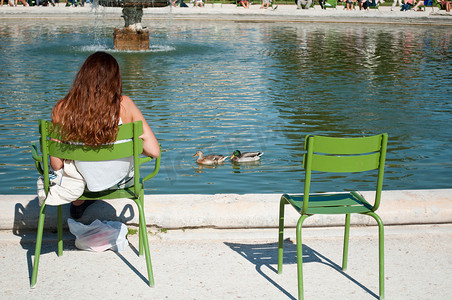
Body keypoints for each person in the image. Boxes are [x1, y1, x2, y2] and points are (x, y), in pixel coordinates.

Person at [50, 52, 160, 219]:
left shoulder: (63, 108)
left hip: (83, 181)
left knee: (74, 166)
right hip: (120, 181)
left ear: (82, 77)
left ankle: (79, 201)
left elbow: (56, 165)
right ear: (115, 78)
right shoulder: (125, 105)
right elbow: (154, 150)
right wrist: (132, 144)